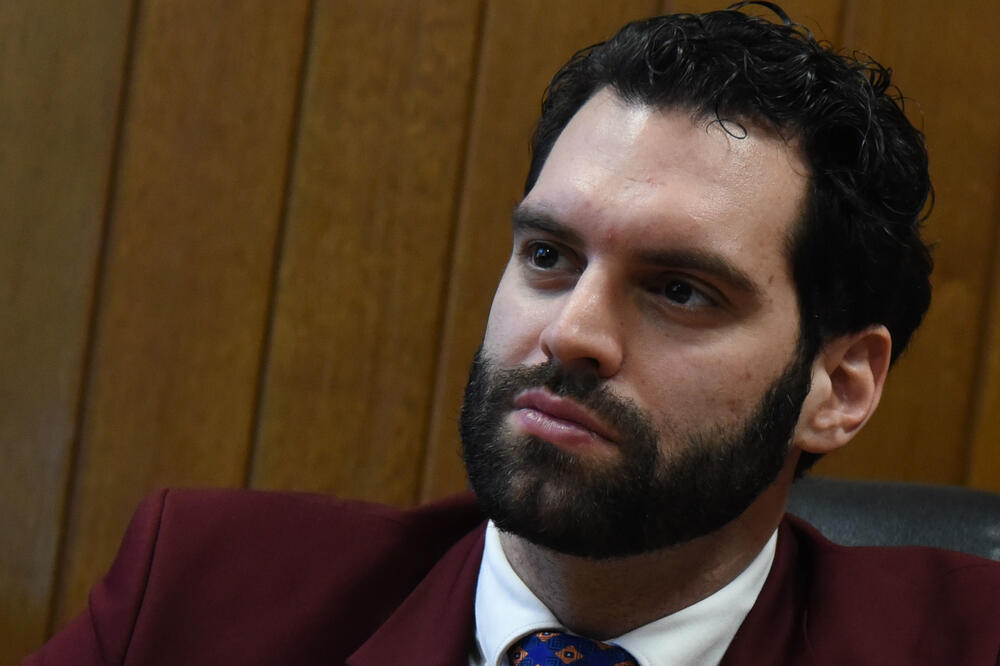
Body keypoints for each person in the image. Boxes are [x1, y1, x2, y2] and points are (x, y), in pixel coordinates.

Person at [24, 4, 1000, 665]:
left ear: (839, 386)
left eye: (680, 291)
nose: (572, 333)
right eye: (548, 256)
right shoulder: (200, 596)